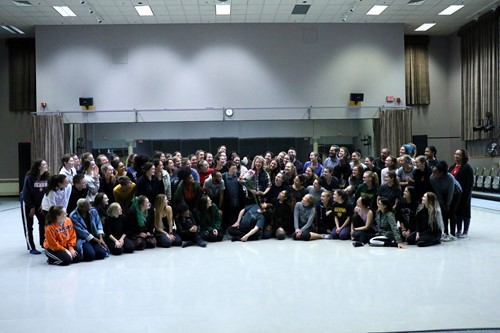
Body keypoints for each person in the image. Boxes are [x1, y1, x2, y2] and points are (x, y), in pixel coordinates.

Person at [21, 159, 50, 254]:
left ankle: (43, 243)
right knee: (28, 225)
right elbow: (26, 194)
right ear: (38, 167)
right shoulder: (29, 178)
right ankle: (31, 247)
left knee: (43, 223)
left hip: (40, 204)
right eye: (44, 164)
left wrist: (43, 204)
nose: (46, 166)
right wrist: (32, 207)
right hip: (28, 203)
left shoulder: (46, 177)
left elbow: (47, 192)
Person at [430, 160, 460, 240]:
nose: (433, 174)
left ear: (441, 173)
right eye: (432, 172)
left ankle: (453, 234)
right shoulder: (432, 178)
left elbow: (451, 192)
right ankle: (446, 232)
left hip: (455, 193)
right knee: (444, 213)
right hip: (443, 193)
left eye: (435, 173)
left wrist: (448, 204)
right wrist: (443, 204)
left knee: (452, 213)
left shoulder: (450, 177)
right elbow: (438, 192)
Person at [449, 149, 474, 238]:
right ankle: (458, 230)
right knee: (457, 212)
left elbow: (470, 183)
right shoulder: (452, 167)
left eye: (458, 154)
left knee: (466, 212)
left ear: (463, 156)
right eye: (455, 154)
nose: (456, 156)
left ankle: (465, 231)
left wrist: (466, 194)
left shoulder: (467, 167)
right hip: (455, 194)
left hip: (464, 194)